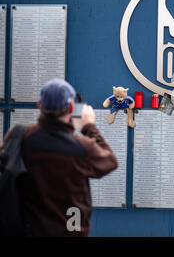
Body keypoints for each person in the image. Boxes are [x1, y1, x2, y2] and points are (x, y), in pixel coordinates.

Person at [1, 79, 118, 236]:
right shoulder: (82, 147)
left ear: (39, 106)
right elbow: (109, 161)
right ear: (71, 108)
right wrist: (88, 126)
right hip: (69, 231)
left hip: (30, 231)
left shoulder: (20, 138)